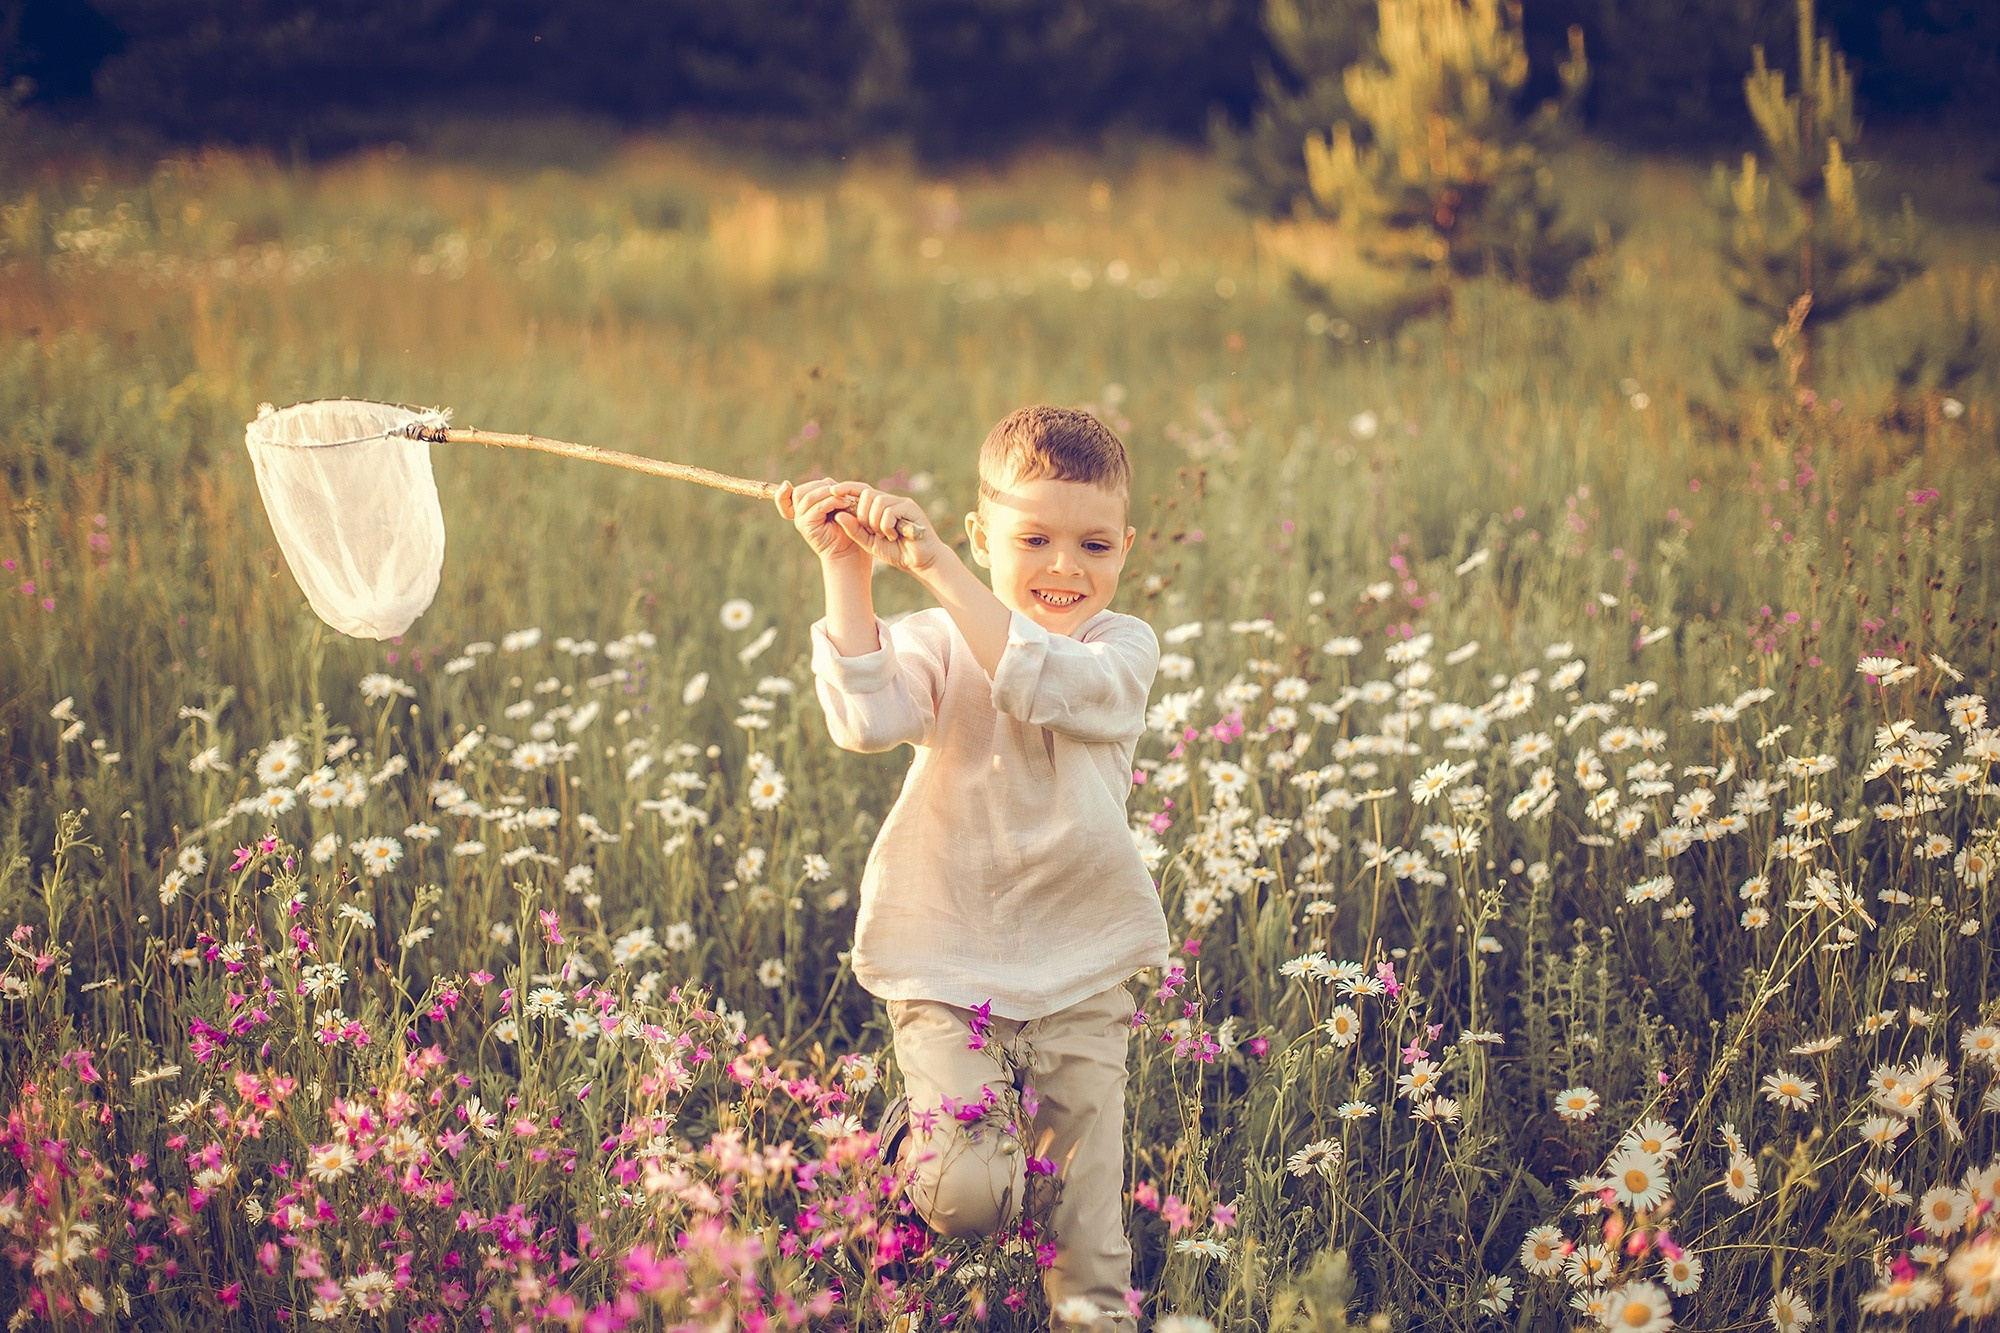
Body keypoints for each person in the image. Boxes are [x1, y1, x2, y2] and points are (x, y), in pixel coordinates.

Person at [775, 405, 1169, 1332]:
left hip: (1083, 969)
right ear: (979, 532)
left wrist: (939, 569)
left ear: (1128, 548)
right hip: (951, 961)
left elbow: (1037, 680)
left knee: (1088, 1250)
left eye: (1094, 543)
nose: (1065, 565)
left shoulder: (1121, 650)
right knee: (967, 1197)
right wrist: (849, 565)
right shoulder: (933, 637)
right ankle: (906, 1165)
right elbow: (865, 720)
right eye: (1033, 537)